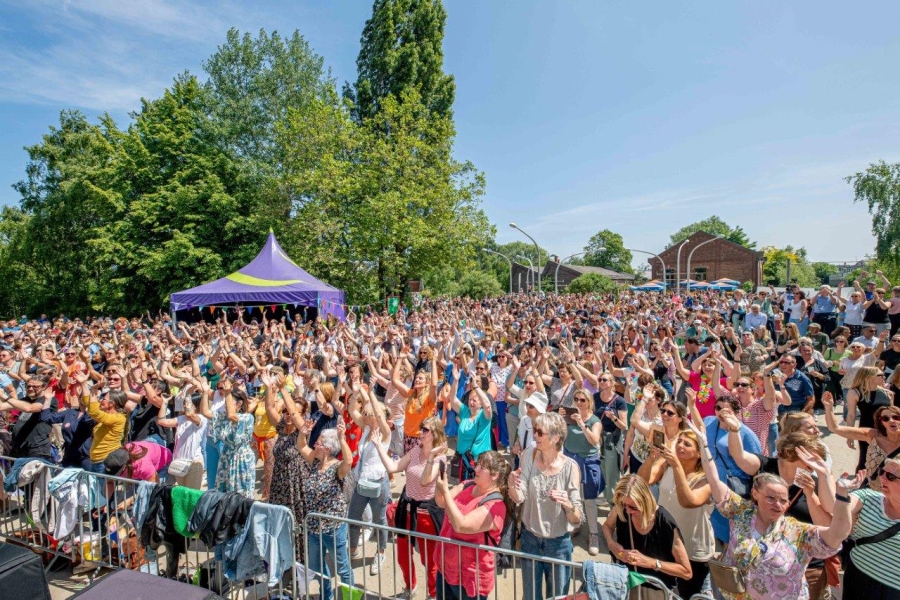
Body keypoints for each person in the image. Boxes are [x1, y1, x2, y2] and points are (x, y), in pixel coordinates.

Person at [690, 417, 855, 600]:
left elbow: (838, 533)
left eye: (783, 500)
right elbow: (714, 479)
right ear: (755, 494)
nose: (777, 504)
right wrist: (704, 445)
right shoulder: (741, 513)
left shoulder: (797, 532)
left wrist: (842, 495)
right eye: (770, 498)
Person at [508, 412, 584, 600]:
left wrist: (567, 505)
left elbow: (577, 518)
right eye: (535, 431)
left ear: (556, 437)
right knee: (531, 596)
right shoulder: (528, 456)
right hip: (529, 539)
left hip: (558, 546)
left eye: (540, 432)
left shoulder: (571, 468)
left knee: (557, 597)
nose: (535, 435)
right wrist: (511, 485)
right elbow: (519, 497)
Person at [636, 431, 713, 598]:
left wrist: (677, 465)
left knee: (687, 595)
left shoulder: (706, 480)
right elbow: (641, 482)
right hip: (665, 544)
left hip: (692, 549)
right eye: (680, 442)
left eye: (687, 444)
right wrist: (651, 458)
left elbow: (688, 501)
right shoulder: (667, 465)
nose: (680, 446)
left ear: (699, 454)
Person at [379, 416, 448, 600]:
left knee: (429, 560)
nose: (420, 432)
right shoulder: (415, 450)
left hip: (426, 513)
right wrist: (379, 446)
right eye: (421, 428)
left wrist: (431, 457)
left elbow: (426, 481)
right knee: (402, 555)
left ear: (434, 433)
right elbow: (393, 467)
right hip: (406, 508)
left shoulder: (440, 458)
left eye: (424, 429)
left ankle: (433, 595)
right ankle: (411, 588)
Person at [433, 450, 510, 600]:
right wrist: (439, 484)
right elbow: (441, 501)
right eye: (477, 465)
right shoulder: (467, 484)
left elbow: (461, 525)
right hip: (446, 568)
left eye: (482, 467)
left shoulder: (496, 505)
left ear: (495, 476)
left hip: (470, 578)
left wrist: (446, 492)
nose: (476, 469)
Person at [601, 475, 693, 593]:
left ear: (645, 501)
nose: (628, 511)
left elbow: (686, 572)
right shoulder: (622, 508)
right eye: (624, 505)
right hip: (626, 584)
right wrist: (610, 542)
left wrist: (652, 563)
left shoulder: (664, 522)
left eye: (633, 507)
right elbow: (607, 526)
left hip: (657, 589)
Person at [298, 419, 353, 600]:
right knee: (317, 567)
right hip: (314, 527)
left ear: (327, 449)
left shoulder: (337, 468)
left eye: (319, 442)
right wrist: (303, 432)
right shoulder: (315, 461)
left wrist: (342, 438)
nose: (315, 443)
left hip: (333, 528)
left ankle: (350, 597)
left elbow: (349, 460)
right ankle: (326, 596)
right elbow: (301, 446)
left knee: (343, 568)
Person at [346, 387, 393, 575]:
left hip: (378, 483)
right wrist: (355, 389)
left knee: (379, 520)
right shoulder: (366, 429)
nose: (364, 416)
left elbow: (381, 417)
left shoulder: (385, 432)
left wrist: (371, 394)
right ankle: (352, 549)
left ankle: (381, 552)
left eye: (368, 414)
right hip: (361, 482)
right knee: (353, 517)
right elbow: (351, 411)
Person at [837, 458, 900, 597]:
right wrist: (841, 491)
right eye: (882, 472)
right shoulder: (868, 497)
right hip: (857, 578)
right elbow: (834, 509)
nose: (882, 477)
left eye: (891, 476)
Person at [823, 392, 900, 491]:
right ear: (881, 422)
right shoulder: (873, 436)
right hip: (874, 491)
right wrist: (829, 408)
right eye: (886, 418)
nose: (891, 421)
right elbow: (835, 428)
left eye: (896, 417)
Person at [560, 388, 603, 554]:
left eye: (582, 400)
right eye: (576, 399)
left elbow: (594, 440)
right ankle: (576, 523)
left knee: (589, 500)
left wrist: (581, 424)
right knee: (572, 495)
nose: (578, 402)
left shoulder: (594, 421)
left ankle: (593, 534)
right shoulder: (570, 417)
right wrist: (561, 418)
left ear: (589, 402)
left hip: (587, 462)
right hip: (570, 459)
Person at [200, 378, 255, 499]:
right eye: (225, 403)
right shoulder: (223, 416)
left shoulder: (247, 418)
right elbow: (205, 412)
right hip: (226, 457)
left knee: (240, 497)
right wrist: (204, 392)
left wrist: (228, 393)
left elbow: (232, 415)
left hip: (241, 459)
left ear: (239, 404)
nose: (226, 406)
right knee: (224, 496)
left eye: (229, 403)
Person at [845, 367, 894, 472]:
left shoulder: (887, 393)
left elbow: (893, 414)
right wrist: (850, 435)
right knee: (865, 459)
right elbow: (851, 415)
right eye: (880, 375)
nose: (884, 377)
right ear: (870, 377)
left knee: (887, 459)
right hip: (866, 430)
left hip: (886, 431)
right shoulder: (855, 392)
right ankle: (860, 484)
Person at [592, 371, 627, 505]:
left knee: (612, 472)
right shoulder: (594, 397)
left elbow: (624, 426)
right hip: (597, 438)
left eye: (604, 380)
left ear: (611, 383)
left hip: (612, 440)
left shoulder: (619, 401)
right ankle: (607, 496)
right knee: (601, 469)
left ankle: (614, 503)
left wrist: (613, 417)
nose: (601, 382)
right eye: (600, 379)